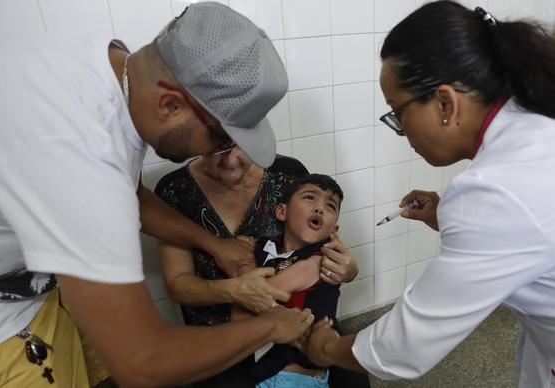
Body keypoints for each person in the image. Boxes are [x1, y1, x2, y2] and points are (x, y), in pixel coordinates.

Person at [0, 2, 315, 387]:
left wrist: (213, 244)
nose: (222, 154)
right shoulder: (77, 157)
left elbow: (127, 192)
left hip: (45, 290)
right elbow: (143, 363)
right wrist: (270, 328)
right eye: (220, 137)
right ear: (170, 104)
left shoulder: (106, 69)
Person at [304, 2, 555, 388]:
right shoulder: (534, 119)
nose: (401, 132)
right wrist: (447, 216)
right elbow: (533, 232)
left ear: (445, 103)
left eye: (397, 114)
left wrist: (325, 349)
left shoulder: (495, 193)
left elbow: (402, 348)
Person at [155, 151, 369, 388]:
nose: (231, 160)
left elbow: (317, 238)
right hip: (220, 334)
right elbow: (178, 285)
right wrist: (235, 287)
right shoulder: (176, 190)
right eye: (218, 147)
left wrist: (348, 269)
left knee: (353, 378)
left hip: (297, 334)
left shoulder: (288, 174)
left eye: (239, 145)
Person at [247, 173, 344, 388]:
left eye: (330, 206)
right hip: (266, 372)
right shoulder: (268, 248)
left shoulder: (320, 259)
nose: (319, 208)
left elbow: (261, 291)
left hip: (296, 379)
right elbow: (270, 264)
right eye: (310, 198)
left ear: (333, 229)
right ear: (283, 211)